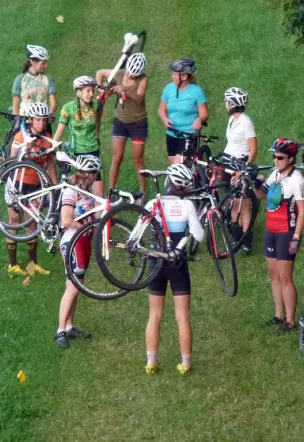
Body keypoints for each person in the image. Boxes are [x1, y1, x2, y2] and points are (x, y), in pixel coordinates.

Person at [144, 164, 204, 375]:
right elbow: (199, 236)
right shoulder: (187, 205)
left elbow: (137, 229)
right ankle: (185, 364)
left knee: (155, 315)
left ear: (168, 182)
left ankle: (151, 362)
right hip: (177, 263)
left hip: (155, 260)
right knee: (182, 316)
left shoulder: (154, 202)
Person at [253, 138, 304, 333]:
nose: (275, 160)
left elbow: (302, 211)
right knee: (273, 274)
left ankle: (291, 321)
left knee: (285, 277)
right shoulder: (275, 174)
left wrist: (297, 236)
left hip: (287, 231)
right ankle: (278, 315)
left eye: (280, 157)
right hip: (271, 229)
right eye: (274, 157)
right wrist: (255, 183)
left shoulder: (297, 180)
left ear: (291, 159)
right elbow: (262, 196)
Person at [55, 154, 102, 349]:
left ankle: (69, 326)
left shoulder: (87, 192)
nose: (95, 178)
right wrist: (83, 225)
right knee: (73, 288)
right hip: (72, 242)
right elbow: (66, 220)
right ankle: (60, 331)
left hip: (84, 242)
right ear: (89, 174)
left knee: (75, 288)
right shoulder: (71, 191)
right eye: (94, 174)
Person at [5, 103, 58, 278]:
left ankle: (32, 266)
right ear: (30, 120)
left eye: (43, 120)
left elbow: (50, 164)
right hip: (18, 185)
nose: (41, 123)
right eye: (37, 120)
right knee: (14, 222)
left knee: (32, 224)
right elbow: (12, 160)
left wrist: (54, 187)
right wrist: (25, 151)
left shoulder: (47, 138)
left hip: (36, 187)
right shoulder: (21, 136)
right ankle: (12, 265)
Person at [95, 53, 149, 195]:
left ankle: (142, 194)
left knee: (138, 159)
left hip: (138, 123)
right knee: (117, 157)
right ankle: (111, 192)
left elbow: (138, 98)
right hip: (120, 121)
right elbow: (100, 72)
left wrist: (124, 90)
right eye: (130, 72)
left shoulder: (143, 79)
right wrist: (101, 88)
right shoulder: (119, 74)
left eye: (134, 74)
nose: (131, 75)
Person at [53, 76, 104, 197]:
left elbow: (97, 125)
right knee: (77, 195)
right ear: (78, 91)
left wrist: (96, 140)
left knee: (98, 196)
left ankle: (99, 217)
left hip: (93, 154)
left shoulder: (96, 106)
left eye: (93, 90)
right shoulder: (68, 108)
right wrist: (52, 147)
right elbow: (59, 132)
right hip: (77, 155)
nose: (91, 94)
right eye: (88, 90)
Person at [222, 87, 258, 254]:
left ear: (234, 103)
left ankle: (246, 242)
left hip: (238, 167)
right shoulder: (232, 120)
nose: (225, 103)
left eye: (227, 101)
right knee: (232, 203)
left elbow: (253, 149)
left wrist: (244, 170)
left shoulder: (246, 122)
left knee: (243, 206)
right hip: (228, 165)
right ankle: (236, 239)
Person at [158, 58, 209, 164]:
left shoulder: (196, 91)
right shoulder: (169, 88)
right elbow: (161, 109)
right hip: (172, 133)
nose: (172, 77)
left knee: (178, 163)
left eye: (175, 75)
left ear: (184, 76)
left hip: (188, 134)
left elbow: (205, 114)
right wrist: (164, 119)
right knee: (174, 166)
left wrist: (199, 119)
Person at [12, 45, 57, 128]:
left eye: (46, 62)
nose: (46, 66)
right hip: (25, 121)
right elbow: (16, 103)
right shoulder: (20, 79)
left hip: (43, 121)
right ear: (33, 62)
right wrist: (17, 121)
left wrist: (50, 114)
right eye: (43, 63)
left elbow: (53, 102)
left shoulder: (48, 79)